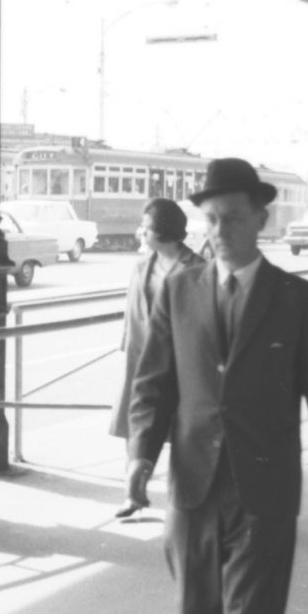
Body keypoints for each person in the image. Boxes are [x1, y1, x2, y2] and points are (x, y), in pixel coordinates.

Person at [125, 158, 308, 614]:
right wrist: (140, 455)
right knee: (194, 605)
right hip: (195, 478)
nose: (219, 232)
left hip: (265, 484)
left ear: (261, 219)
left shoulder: (298, 299)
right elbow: (154, 382)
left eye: (232, 219)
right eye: (211, 220)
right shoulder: (179, 289)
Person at [110, 198, 204, 515]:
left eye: (145, 227)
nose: (140, 231)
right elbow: (132, 312)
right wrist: (126, 347)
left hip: (181, 365)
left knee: (183, 432)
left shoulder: (198, 269)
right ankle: (133, 493)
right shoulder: (140, 266)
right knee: (134, 426)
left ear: (161, 232)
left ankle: (186, 498)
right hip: (140, 360)